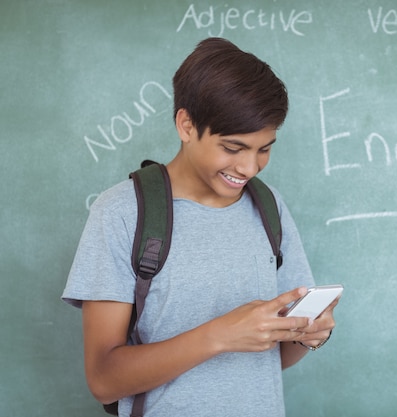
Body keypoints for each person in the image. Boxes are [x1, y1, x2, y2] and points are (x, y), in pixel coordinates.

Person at [62, 37, 339, 417]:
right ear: (186, 125)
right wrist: (220, 335)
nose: (250, 168)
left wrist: (308, 336)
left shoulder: (269, 206)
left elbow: (271, 361)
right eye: (233, 148)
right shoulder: (121, 212)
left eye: (265, 148)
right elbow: (104, 379)